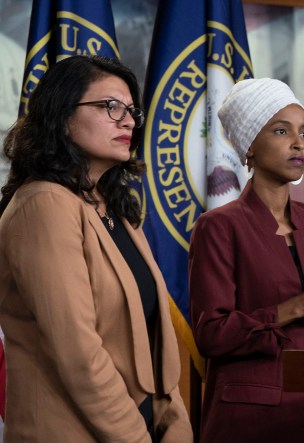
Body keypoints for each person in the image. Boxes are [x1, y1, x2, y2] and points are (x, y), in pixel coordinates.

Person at [0, 55, 192, 442]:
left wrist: (174, 425)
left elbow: (154, 342)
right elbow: (79, 357)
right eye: (110, 106)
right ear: (62, 115)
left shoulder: (115, 210)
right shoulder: (44, 204)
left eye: (131, 110)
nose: (128, 121)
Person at [189, 78, 304, 443]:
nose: (298, 143)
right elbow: (211, 335)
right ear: (249, 147)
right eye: (281, 131)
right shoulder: (218, 227)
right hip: (253, 420)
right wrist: (295, 308)